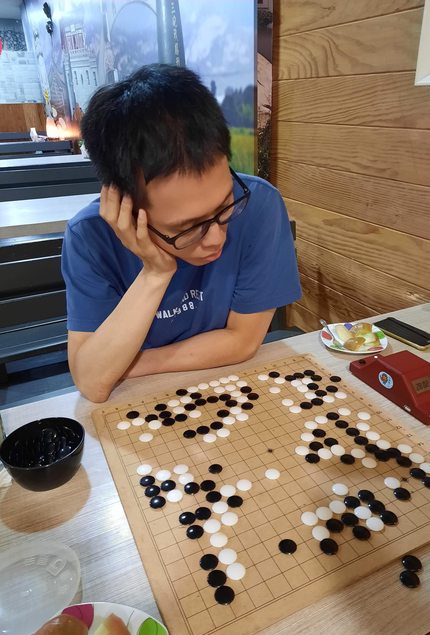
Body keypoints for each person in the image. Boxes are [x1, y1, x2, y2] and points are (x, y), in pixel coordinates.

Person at [61, 64, 301, 403]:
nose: (216, 238)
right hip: (141, 404)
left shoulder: (259, 205)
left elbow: (243, 341)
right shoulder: (90, 238)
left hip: (228, 392)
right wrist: (155, 273)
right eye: (187, 228)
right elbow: (92, 381)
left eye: (225, 205)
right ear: (128, 208)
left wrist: (129, 365)